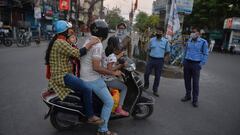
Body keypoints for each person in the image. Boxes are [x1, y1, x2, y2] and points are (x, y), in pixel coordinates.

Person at [45, 20, 103, 125]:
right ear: (65, 31)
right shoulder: (61, 42)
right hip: (63, 76)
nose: (71, 32)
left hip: (61, 74)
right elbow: (77, 53)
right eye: (69, 30)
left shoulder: (59, 41)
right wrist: (91, 43)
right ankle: (90, 116)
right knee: (87, 88)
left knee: (82, 87)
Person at [80, 19, 121, 135]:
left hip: (84, 76)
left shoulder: (88, 40)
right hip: (92, 79)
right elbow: (96, 68)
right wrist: (113, 73)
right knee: (109, 102)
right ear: (105, 32)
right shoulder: (97, 45)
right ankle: (103, 130)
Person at [181, 27, 209, 107]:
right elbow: (185, 51)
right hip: (187, 63)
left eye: (195, 32)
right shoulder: (189, 40)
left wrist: (201, 64)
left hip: (196, 64)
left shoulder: (203, 42)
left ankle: (195, 100)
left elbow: (205, 53)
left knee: (195, 83)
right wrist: (183, 61)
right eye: (192, 32)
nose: (193, 33)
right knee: (187, 80)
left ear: (199, 34)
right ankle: (188, 95)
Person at [103, 36, 129, 116]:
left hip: (103, 76)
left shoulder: (106, 52)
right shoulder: (111, 56)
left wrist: (120, 55)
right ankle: (119, 109)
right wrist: (120, 66)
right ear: (114, 46)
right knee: (124, 87)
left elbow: (112, 59)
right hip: (107, 79)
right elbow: (110, 70)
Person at [144, 27, 170, 97]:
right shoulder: (151, 40)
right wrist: (147, 59)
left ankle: (155, 90)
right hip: (151, 59)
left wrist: (165, 59)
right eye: (157, 31)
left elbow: (167, 52)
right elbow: (148, 50)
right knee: (146, 73)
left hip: (160, 61)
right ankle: (146, 85)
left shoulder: (166, 41)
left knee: (157, 76)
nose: (158, 33)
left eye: (160, 32)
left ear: (163, 33)